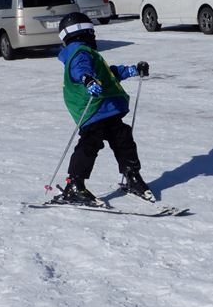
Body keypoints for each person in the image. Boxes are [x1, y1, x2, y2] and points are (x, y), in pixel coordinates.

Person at [57, 12, 151, 205]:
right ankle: (74, 184)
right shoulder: (79, 52)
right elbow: (80, 69)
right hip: (92, 109)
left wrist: (131, 70)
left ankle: (132, 175)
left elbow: (108, 74)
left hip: (106, 107)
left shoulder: (86, 52)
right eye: (91, 32)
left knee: (123, 137)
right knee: (91, 142)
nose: (94, 36)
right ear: (81, 33)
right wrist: (87, 79)